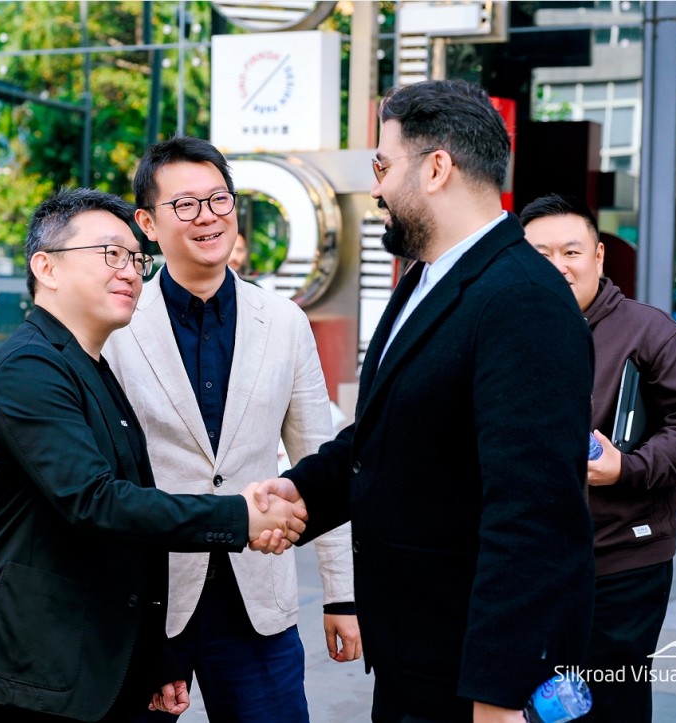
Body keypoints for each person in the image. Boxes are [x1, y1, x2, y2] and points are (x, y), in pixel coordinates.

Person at [253, 80, 597, 723]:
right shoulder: (426, 280)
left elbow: (534, 514)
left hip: (469, 676)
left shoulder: (522, 298)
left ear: (437, 168)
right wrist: (300, 492)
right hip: (414, 656)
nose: (375, 188)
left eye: (382, 166)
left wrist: (499, 694)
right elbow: (389, 432)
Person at [0, 188, 307, 722]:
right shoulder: (29, 368)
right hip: (37, 677)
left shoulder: (89, 365)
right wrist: (241, 516)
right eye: (110, 254)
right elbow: (97, 502)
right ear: (46, 268)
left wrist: (157, 659)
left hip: (97, 665)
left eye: (137, 259)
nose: (130, 273)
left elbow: (132, 525)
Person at [104, 137, 359, 723]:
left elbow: (320, 459)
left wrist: (342, 593)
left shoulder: (285, 322)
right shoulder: (118, 324)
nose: (208, 216)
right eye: (185, 204)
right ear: (148, 223)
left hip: (257, 598)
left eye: (219, 199)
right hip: (151, 598)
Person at [521, 193, 676, 723]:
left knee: (611, 703)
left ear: (598, 256)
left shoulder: (648, 330)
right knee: (532, 704)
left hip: (622, 562)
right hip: (526, 562)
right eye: (541, 255)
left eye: (571, 251)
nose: (559, 266)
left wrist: (626, 467)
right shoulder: (507, 330)